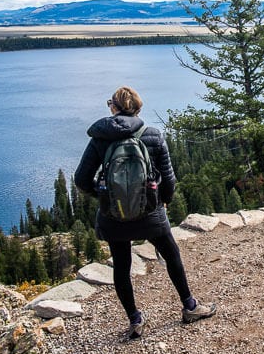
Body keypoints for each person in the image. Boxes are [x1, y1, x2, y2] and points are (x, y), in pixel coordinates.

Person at [75, 86, 216, 340]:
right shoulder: (152, 135)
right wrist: (164, 201)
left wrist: (107, 196)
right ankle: (190, 306)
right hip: (151, 214)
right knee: (172, 255)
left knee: (121, 266)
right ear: (138, 109)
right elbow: (169, 180)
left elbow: (81, 180)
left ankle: (135, 320)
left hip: (113, 217)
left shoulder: (100, 139)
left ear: (114, 108)